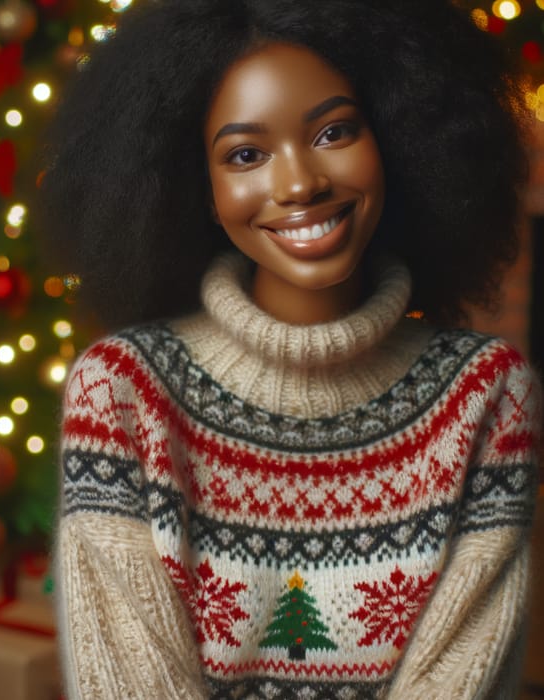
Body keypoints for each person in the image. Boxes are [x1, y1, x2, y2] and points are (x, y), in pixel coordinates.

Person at [40, 1, 542, 697]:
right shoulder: (122, 391)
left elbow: (468, 677)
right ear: (202, 190)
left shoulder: (486, 391)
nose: (300, 182)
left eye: (334, 131)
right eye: (245, 154)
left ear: (395, 140)